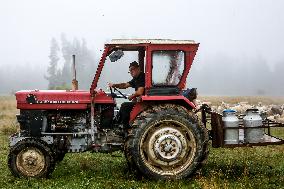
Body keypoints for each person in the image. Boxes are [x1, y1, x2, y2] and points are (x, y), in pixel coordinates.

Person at [108, 61, 145, 129]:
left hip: (144, 103)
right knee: (124, 106)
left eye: (132, 69)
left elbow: (140, 91)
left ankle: (125, 128)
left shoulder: (142, 77)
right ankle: (116, 124)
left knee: (125, 106)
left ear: (138, 68)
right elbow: (125, 85)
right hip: (140, 101)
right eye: (130, 71)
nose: (131, 72)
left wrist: (132, 96)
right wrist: (114, 85)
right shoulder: (136, 79)